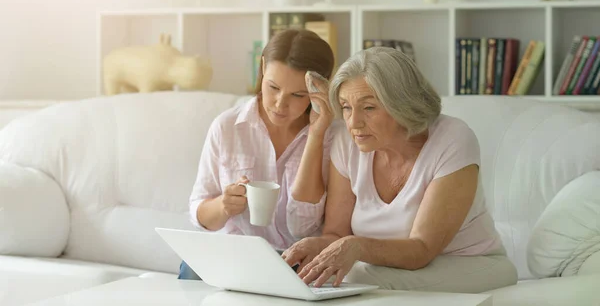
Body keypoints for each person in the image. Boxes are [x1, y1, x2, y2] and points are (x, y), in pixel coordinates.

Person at [282, 47, 518, 293]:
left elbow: (422, 248)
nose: (353, 123)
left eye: (369, 107)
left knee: (359, 278)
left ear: (402, 103)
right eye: (346, 107)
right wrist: (315, 246)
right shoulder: (347, 140)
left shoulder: (453, 139)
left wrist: (357, 246)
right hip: (384, 269)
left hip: (470, 264)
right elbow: (336, 233)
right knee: (339, 276)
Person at [179, 29, 338, 279]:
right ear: (262, 67)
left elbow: (302, 227)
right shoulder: (227, 127)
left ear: (320, 90)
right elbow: (199, 214)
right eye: (273, 87)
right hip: (237, 256)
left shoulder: (332, 138)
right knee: (190, 269)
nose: (279, 103)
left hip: (297, 261)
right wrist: (224, 205)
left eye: (298, 95)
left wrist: (316, 135)